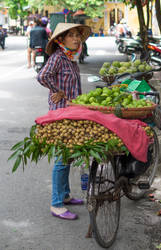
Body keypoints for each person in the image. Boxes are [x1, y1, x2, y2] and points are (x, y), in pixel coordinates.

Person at [37, 23, 91, 220]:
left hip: (72, 112)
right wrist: (55, 90)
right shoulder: (58, 57)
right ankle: (56, 204)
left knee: (68, 157)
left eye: (78, 36)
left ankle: (65, 196)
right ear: (62, 40)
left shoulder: (71, 60)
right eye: (72, 36)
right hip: (61, 114)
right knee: (62, 159)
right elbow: (42, 76)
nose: (77, 39)